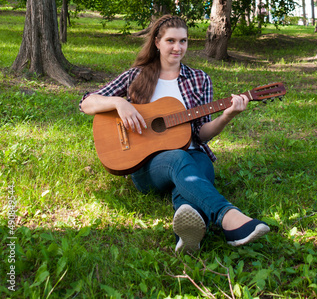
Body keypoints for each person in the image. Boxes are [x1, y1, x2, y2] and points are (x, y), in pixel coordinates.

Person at [80, 15, 270, 252]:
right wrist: (119, 102)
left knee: (198, 163)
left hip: (194, 156)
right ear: (157, 42)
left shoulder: (199, 79)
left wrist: (227, 116)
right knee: (178, 158)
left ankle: (190, 233)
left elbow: (201, 134)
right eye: (171, 40)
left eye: (184, 41)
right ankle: (229, 217)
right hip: (146, 167)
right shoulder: (136, 75)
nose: (178, 47)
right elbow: (87, 103)